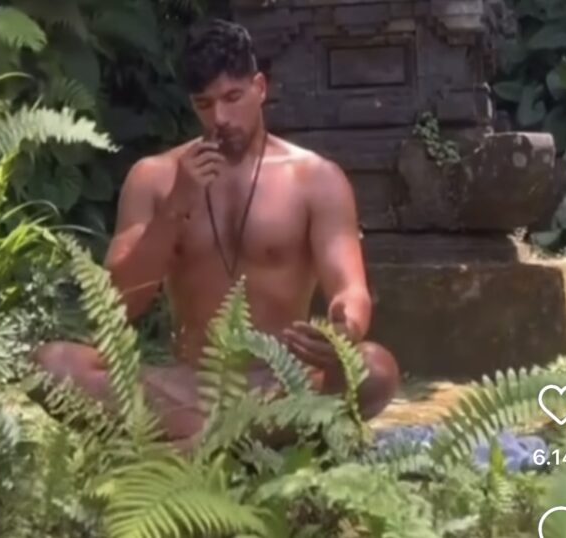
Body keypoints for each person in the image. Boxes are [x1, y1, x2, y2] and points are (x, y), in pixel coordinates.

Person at [32, 18, 400, 450]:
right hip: (187, 389)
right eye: (204, 104)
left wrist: (344, 328)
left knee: (376, 368)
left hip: (282, 386)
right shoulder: (154, 177)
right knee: (50, 365)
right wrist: (175, 206)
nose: (220, 118)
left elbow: (350, 289)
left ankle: (193, 448)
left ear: (260, 87)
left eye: (233, 97)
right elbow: (117, 304)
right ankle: (226, 442)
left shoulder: (316, 179)